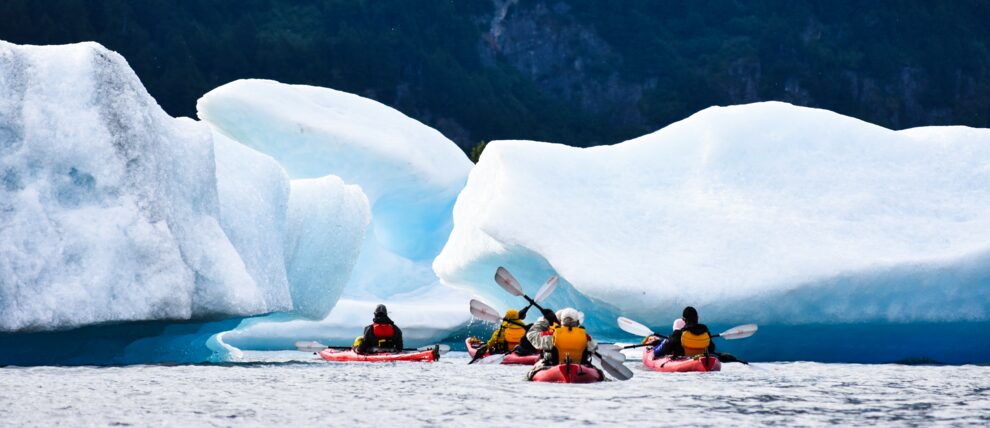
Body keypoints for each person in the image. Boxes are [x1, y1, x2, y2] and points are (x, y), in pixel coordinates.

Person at [525, 307, 601, 380]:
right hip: (580, 369)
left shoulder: (551, 336)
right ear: (578, 322)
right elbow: (593, 347)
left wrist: (545, 321)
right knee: (600, 373)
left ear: (561, 322)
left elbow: (531, 334)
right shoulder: (586, 337)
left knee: (528, 376)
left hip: (553, 367)